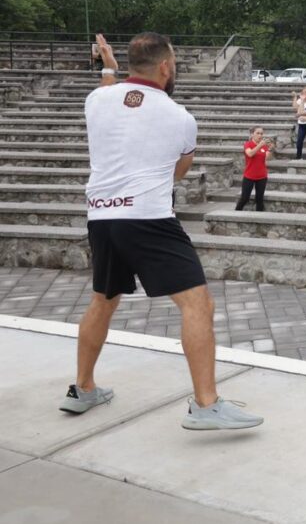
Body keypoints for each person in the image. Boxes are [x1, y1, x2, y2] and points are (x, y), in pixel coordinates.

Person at [70, 32, 263, 429]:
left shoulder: (96, 100)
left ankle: (83, 388)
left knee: (103, 301)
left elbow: (111, 92)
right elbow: (178, 172)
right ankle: (206, 404)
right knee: (198, 305)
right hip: (148, 218)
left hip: (101, 216)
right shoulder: (179, 116)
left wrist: (108, 66)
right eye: (173, 63)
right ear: (164, 67)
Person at [236, 126, 273, 212]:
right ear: (252, 134)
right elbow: (250, 154)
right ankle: (235, 214)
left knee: (259, 200)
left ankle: (259, 220)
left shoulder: (264, 146)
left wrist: (271, 149)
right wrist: (260, 145)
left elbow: (268, 158)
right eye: (258, 133)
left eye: (261, 133)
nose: (260, 135)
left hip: (262, 176)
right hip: (249, 176)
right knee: (244, 198)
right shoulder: (248, 144)